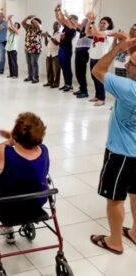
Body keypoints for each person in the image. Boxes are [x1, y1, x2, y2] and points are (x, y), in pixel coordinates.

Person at [89, 34, 136, 255]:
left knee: (115, 198)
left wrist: (118, 49)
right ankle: (135, 233)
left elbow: (97, 70)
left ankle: (115, 241)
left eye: (132, 63)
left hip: (121, 153)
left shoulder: (128, 88)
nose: (126, 64)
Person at [0, 112, 49, 244]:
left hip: (6, 207)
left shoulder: (5, 153)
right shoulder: (44, 150)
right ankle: (8, 229)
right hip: (35, 203)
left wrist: (9, 141)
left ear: (15, 136)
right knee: (19, 184)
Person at [86, 13, 114, 106]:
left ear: (109, 25)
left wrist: (93, 22)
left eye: (104, 23)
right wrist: (89, 21)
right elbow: (87, 32)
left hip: (101, 58)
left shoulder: (109, 33)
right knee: (94, 78)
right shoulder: (96, 31)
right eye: (101, 22)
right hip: (93, 57)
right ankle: (97, 96)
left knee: (100, 79)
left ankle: (102, 98)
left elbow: (98, 33)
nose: (101, 24)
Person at [54, 4, 78, 92]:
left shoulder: (73, 28)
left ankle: (69, 85)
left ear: (73, 20)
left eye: (70, 18)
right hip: (61, 48)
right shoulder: (66, 27)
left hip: (67, 49)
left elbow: (64, 19)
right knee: (63, 66)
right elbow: (59, 19)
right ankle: (66, 84)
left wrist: (60, 10)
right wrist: (56, 11)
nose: (68, 19)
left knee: (67, 67)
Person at [73, 19, 93, 98]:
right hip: (78, 53)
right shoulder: (82, 30)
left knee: (81, 72)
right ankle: (81, 88)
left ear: (87, 23)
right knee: (78, 72)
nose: (81, 23)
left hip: (84, 53)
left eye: (83, 22)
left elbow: (87, 34)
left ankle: (84, 91)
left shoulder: (90, 30)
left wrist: (89, 20)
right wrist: (67, 16)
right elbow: (75, 24)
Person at [22, 15, 43, 83]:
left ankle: (36, 78)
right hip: (28, 48)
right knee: (29, 63)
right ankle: (30, 77)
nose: (32, 23)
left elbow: (37, 25)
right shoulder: (29, 28)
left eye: (34, 22)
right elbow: (22, 22)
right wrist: (27, 17)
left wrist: (32, 18)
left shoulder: (39, 29)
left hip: (36, 49)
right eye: (32, 22)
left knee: (34, 63)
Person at [42, 22, 61, 88]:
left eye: (57, 25)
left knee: (56, 70)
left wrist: (50, 36)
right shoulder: (50, 32)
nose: (55, 26)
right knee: (49, 69)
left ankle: (56, 83)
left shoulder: (60, 34)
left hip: (56, 54)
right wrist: (45, 37)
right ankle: (50, 82)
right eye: (54, 25)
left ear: (60, 26)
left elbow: (57, 43)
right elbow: (46, 44)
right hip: (49, 53)